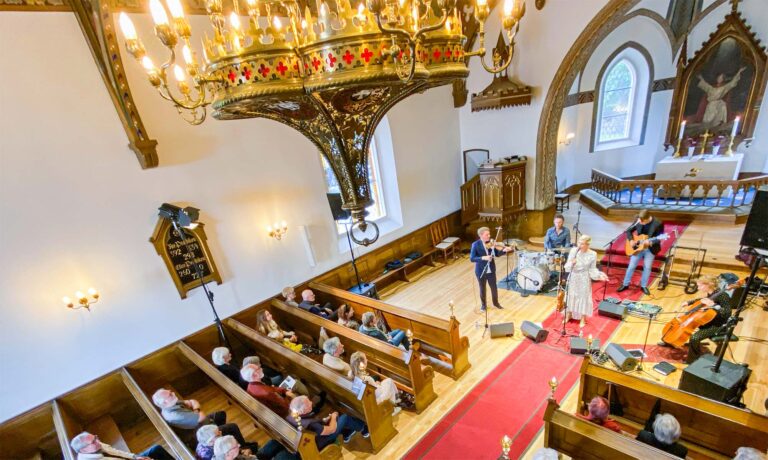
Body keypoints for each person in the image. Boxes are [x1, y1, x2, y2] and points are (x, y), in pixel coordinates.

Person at [659, 275, 733, 363]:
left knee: (694, 338)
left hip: (717, 325)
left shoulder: (723, 296)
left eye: (700, 286)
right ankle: (669, 341)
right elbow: (702, 299)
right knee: (676, 325)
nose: (698, 288)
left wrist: (714, 306)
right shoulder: (712, 293)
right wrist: (689, 302)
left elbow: (727, 313)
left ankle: (693, 359)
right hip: (706, 321)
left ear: (709, 284)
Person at [151, 388, 253, 449]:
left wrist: (195, 409)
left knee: (221, 414)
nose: (173, 393)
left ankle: (220, 436)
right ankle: (243, 447)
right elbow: (201, 415)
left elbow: (190, 402)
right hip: (199, 434)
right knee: (233, 427)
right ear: (164, 402)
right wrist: (197, 409)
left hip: (200, 423)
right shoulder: (175, 415)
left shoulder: (171, 403)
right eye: (170, 394)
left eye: (171, 392)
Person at [286, 396, 369, 449]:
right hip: (322, 442)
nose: (311, 403)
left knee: (336, 420)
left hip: (314, 439)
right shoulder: (310, 424)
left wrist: (325, 420)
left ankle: (347, 433)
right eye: (308, 404)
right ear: (303, 411)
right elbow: (331, 430)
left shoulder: (291, 417)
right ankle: (364, 429)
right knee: (344, 417)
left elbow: (316, 426)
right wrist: (333, 417)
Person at [618, 209, 665, 296]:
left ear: (648, 218)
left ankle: (643, 286)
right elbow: (629, 231)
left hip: (650, 249)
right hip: (637, 248)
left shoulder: (658, 223)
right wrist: (631, 240)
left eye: (643, 222)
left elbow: (660, 237)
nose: (641, 223)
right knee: (631, 266)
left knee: (647, 267)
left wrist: (651, 242)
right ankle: (625, 284)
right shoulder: (638, 220)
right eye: (640, 221)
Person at [564, 235, 608, 325]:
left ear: (588, 245)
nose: (580, 245)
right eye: (579, 243)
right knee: (571, 295)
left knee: (584, 297)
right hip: (573, 277)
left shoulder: (593, 254)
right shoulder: (573, 251)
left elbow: (592, 269)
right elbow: (567, 266)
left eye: (583, 244)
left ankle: (583, 318)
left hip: (584, 277)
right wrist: (571, 263)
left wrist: (600, 276)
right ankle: (568, 314)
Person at [470, 226, 513, 311]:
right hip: (481, 271)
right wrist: (483, 258)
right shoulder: (475, 245)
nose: (489, 236)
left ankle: (496, 303)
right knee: (482, 288)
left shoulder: (491, 243)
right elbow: (472, 258)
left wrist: (504, 251)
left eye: (489, 234)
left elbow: (497, 254)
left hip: (491, 270)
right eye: (487, 235)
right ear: (481, 235)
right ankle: (483, 305)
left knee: (494, 287)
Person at [70, 432, 174, 460]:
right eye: (93, 441)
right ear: (83, 450)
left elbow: (116, 452)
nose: (98, 441)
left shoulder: (96, 444)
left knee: (157, 449)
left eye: (95, 437)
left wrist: (136, 457)